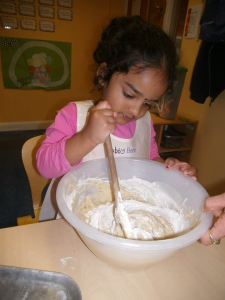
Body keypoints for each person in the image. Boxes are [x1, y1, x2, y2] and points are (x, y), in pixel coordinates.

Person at [36, 16, 197, 221]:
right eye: (129, 95)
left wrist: (169, 168)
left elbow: (149, 160)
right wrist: (87, 138)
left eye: (148, 103)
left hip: (122, 214)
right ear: (104, 75)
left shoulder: (144, 123)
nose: (136, 110)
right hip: (74, 219)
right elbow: (43, 166)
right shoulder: (74, 116)